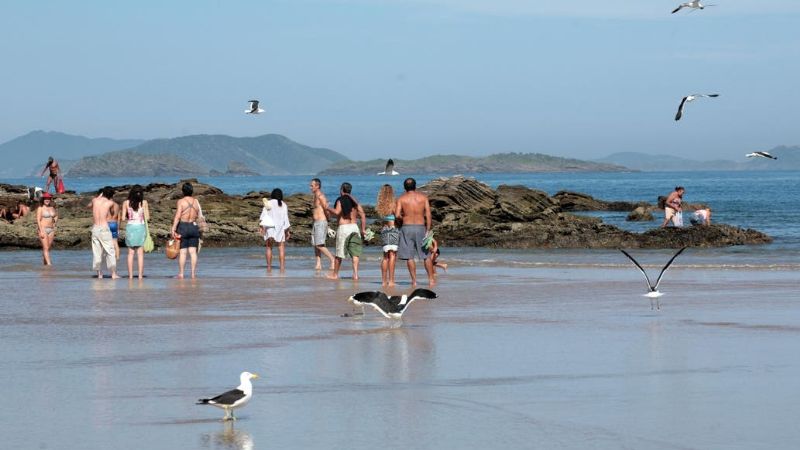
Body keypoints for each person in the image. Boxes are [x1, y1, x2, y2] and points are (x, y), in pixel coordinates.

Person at [395, 177, 435, 287]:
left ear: (404, 187)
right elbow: (428, 214)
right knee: (426, 255)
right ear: (415, 186)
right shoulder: (423, 198)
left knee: (409, 257)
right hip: (420, 227)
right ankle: (431, 280)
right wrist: (428, 229)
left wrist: (403, 219)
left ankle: (414, 281)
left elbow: (397, 215)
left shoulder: (401, 199)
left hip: (407, 227)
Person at [326, 182, 366, 280]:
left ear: (341, 190)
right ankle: (355, 274)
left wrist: (327, 207)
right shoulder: (355, 201)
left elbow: (337, 212)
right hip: (354, 227)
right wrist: (363, 229)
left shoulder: (340, 200)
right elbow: (363, 215)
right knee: (355, 253)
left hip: (344, 228)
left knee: (339, 253)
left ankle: (335, 275)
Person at [171, 182, 202, 279]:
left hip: (183, 227)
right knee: (193, 252)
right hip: (193, 226)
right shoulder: (196, 202)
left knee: (183, 252)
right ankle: (193, 274)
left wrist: (173, 228)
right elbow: (199, 216)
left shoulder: (181, 201)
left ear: (183, 191)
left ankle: (181, 273)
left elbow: (177, 216)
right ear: (192, 191)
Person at [88, 186, 119, 278]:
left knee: (97, 252)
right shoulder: (110, 203)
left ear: (102, 193)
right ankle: (113, 274)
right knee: (110, 251)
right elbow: (112, 213)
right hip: (104, 228)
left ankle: (99, 274)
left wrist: (98, 197)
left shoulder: (94, 200)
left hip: (95, 228)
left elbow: (88, 206)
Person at [121, 185, 150, 279]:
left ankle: (130, 276)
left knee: (130, 253)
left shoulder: (126, 203)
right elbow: (147, 218)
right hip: (141, 227)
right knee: (140, 254)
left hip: (130, 228)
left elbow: (123, 218)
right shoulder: (144, 202)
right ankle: (140, 276)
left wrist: (128, 215)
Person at [261, 188, 291, 272]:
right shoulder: (283, 204)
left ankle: (269, 267)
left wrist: (262, 227)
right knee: (281, 248)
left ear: (272, 195)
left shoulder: (268, 203)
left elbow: (263, 216)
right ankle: (282, 268)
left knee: (269, 248)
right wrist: (287, 231)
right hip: (280, 228)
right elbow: (286, 219)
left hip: (270, 228)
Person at [309, 178, 335, 272]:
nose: (310, 187)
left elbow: (326, 209)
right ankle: (318, 263)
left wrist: (328, 221)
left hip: (321, 222)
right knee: (315, 244)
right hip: (316, 223)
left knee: (319, 244)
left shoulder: (321, 196)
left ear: (317, 186)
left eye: (312, 185)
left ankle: (332, 259)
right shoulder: (314, 196)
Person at [376, 184, 399, 287]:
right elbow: (397, 215)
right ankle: (391, 281)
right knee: (392, 255)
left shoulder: (380, 205)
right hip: (393, 229)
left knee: (385, 256)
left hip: (384, 230)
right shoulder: (394, 203)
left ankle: (383, 281)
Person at [35, 193, 58, 266]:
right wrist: (41, 230)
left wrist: (54, 223)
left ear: (50, 200)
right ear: (43, 200)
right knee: (46, 248)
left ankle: (45, 265)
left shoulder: (52, 208)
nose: (47, 200)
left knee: (48, 249)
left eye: (48, 199)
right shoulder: (40, 208)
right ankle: (49, 265)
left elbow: (56, 216)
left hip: (51, 230)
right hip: (43, 229)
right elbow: (38, 220)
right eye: (45, 199)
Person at [107, 197, 121, 262]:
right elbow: (119, 218)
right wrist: (118, 228)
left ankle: (109, 257)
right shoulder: (117, 205)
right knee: (115, 243)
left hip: (107, 224)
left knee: (107, 242)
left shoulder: (106, 205)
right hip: (114, 224)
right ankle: (117, 257)